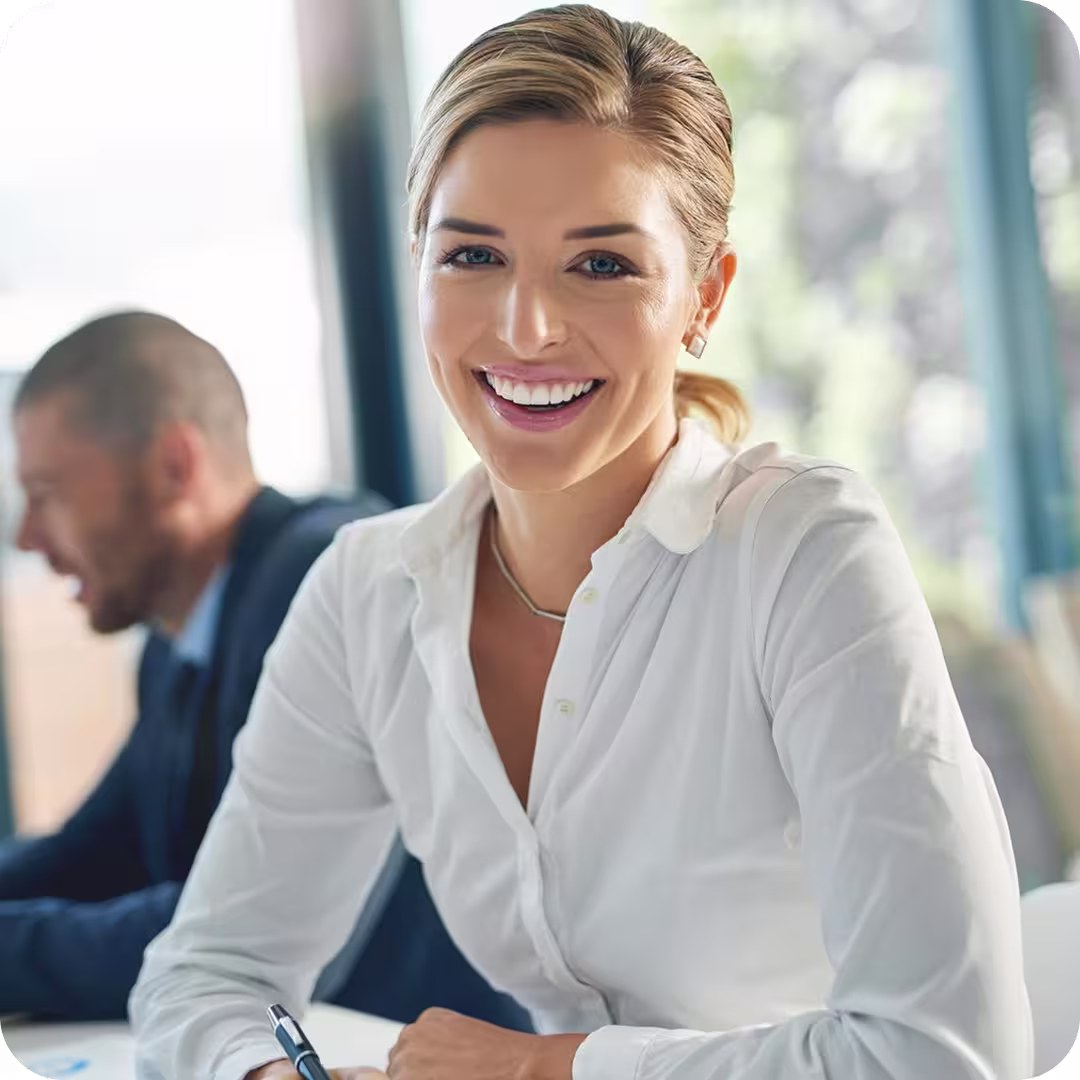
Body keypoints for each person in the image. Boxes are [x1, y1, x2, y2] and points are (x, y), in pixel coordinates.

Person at [130, 7, 1033, 1080]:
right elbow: (203, 976)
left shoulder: (803, 552)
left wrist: (540, 1069)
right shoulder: (367, 594)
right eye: (472, 255)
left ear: (704, 296)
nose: (524, 330)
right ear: (419, 266)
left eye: (600, 267)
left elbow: (941, 1055)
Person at [1, 311, 530, 1031]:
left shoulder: (319, 585)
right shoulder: (176, 641)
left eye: (48, 494)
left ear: (173, 468)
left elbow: (248, 931)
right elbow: (97, 849)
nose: (27, 537)